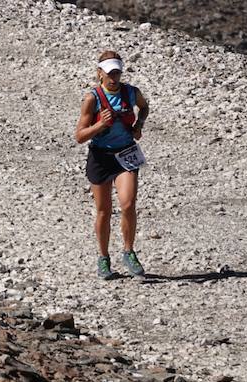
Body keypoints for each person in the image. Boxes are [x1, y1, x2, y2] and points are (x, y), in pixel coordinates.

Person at [74, 50, 150, 279]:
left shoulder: (131, 92)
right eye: (109, 73)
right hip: (100, 157)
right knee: (104, 211)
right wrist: (99, 126)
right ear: (99, 73)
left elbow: (144, 107)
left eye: (117, 72)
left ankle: (128, 252)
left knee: (128, 204)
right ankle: (104, 258)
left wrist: (139, 125)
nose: (114, 78)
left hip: (125, 154)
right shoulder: (92, 99)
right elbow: (79, 136)